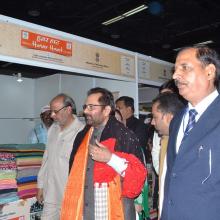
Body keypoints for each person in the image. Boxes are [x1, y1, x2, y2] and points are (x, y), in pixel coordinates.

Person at [60, 87, 147, 220]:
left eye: (91, 107)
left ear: (106, 110)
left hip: (114, 209)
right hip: (85, 209)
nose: (85, 111)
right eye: (85, 106)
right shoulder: (82, 136)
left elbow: (138, 175)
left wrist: (110, 158)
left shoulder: (124, 135)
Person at [161, 45, 220, 220]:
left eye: (184, 67)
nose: (175, 75)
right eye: (175, 69)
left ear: (209, 72)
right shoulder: (178, 120)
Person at [37, 93, 84, 220]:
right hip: (50, 194)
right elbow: (46, 159)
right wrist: (40, 186)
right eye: (51, 111)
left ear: (68, 110)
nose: (52, 115)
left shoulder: (82, 132)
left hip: (70, 197)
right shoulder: (53, 129)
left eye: (55, 111)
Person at [151, 92, 184, 217]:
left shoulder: (187, 143)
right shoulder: (164, 139)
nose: (152, 122)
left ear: (169, 117)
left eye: (155, 117)